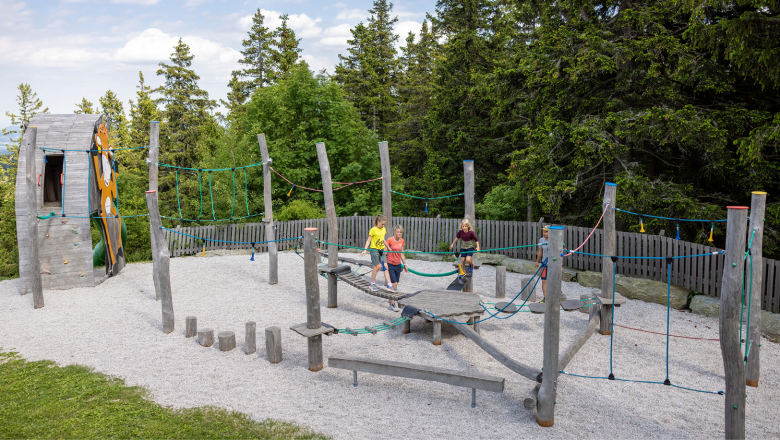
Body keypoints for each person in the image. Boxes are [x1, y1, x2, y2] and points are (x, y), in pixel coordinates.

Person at [360, 214, 393, 293]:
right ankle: (372, 284)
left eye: (384, 224)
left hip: (382, 250)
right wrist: (365, 250)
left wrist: (388, 246)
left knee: (385, 266)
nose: (383, 225)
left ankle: (389, 285)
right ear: (378, 222)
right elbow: (368, 240)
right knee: (377, 267)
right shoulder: (373, 230)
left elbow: (383, 239)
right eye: (382, 224)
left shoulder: (383, 229)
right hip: (374, 250)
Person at [385, 225, 409, 311]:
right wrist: (384, 263)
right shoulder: (390, 240)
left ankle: (391, 298)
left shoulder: (402, 241)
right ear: (395, 231)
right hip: (390, 263)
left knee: (396, 283)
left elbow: (401, 254)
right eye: (398, 232)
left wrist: (405, 264)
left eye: (401, 232)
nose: (399, 233)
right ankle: (392, 304)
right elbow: (385, 251)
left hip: (398, 264)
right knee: (394, 284)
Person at [534, 226, 549, 302]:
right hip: (544, 263)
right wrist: (537, 261)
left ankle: (554, 295)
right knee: (544, 281)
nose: (544, 233)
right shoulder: (541, 240)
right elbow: (540, 251)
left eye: (546, 231)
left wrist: (561, 265)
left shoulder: (554, 240)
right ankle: (545, 298)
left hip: (553, 264)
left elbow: (560, 253)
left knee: (553, 281)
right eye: (543, 231)